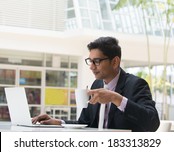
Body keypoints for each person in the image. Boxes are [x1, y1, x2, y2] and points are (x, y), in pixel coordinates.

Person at [32, 36, 160, 131]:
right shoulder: (97, 85)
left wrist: (116, 98)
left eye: (97, 61)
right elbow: (85, 122)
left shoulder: (136, 84)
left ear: (115, 62)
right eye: (90, 61)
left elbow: (152, 123)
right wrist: (58, 122)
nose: (91, 67)